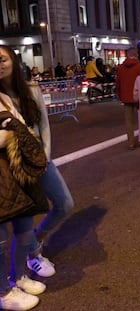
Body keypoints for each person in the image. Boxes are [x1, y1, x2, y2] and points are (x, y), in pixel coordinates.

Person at [0, 45, 74, 278]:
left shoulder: (32, 89)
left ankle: (36, 242)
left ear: (13, 59)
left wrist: (46, 155)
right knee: (24, 215)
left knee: (64, 204)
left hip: (40, 159)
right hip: (13, 165)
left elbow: (43, 125)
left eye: (2, 59)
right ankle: (31, 257)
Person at [116, 47, 140, 150]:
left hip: (126, 98)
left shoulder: (121, 68)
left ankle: (131, 143)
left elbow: (118, 84)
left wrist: (120, 96)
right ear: (136, 55)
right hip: (139, 98)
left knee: (129, 121)